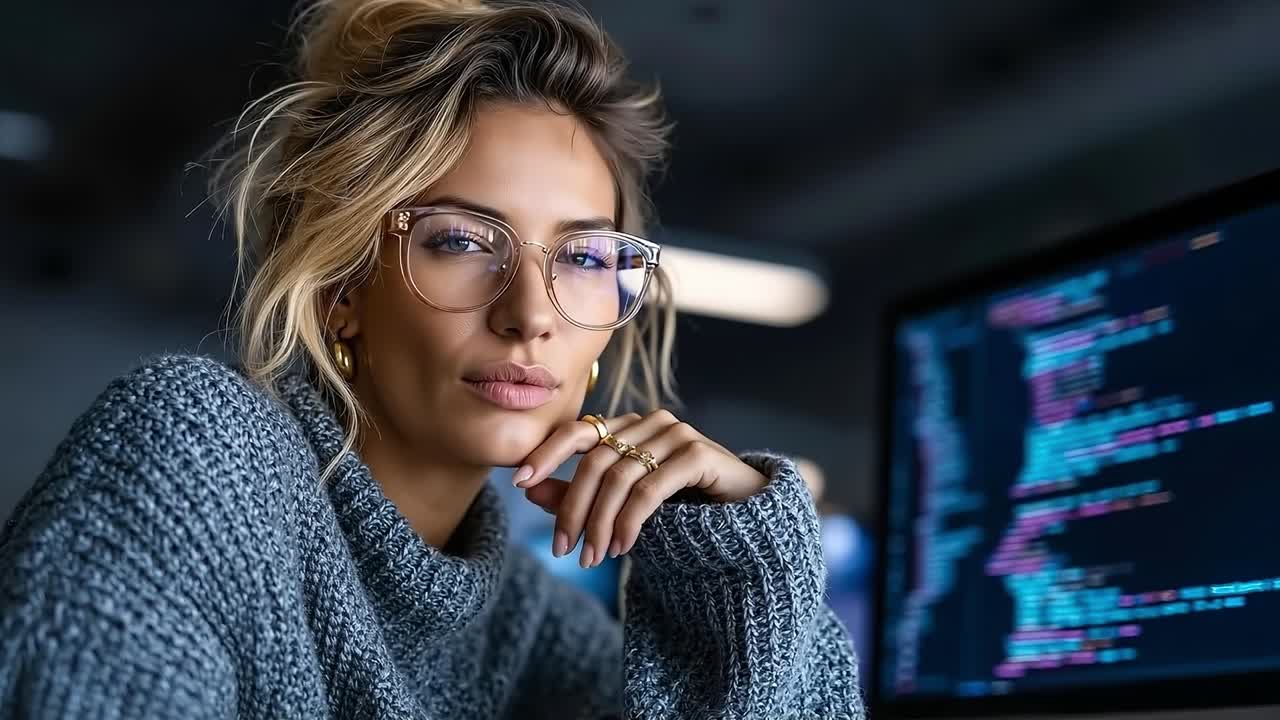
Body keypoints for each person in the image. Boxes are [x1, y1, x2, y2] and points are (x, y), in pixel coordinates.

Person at [0, 1, 864, 717]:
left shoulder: (530, 628)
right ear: (342, 287)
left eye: (587, 257)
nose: (531, 316)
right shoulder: (199, 450)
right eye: (461, 241)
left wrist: (744, 564)